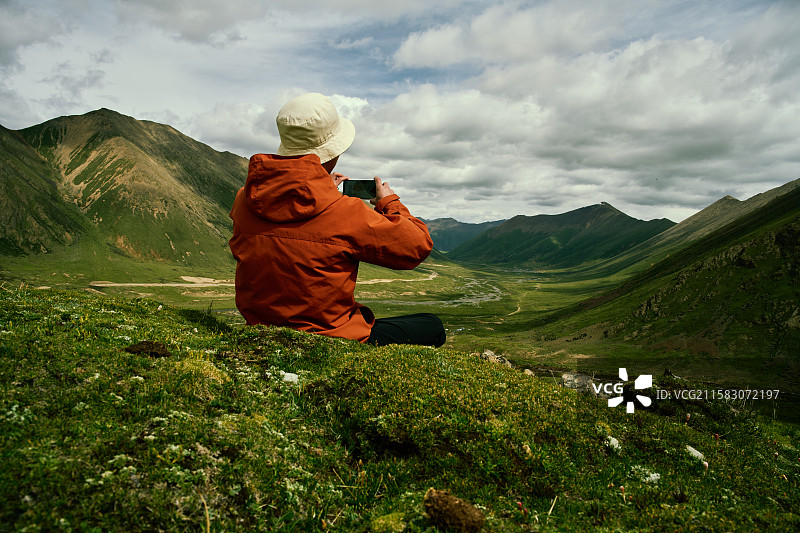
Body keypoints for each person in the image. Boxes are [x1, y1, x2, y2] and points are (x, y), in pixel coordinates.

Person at [229, 92, 446, 347]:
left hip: (261, 327)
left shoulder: (244, 199)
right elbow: (416, 246)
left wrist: (320, 189)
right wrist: (388, 201)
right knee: (432, 326)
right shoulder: (345, 210)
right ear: (331, 153)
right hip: (329, 336)